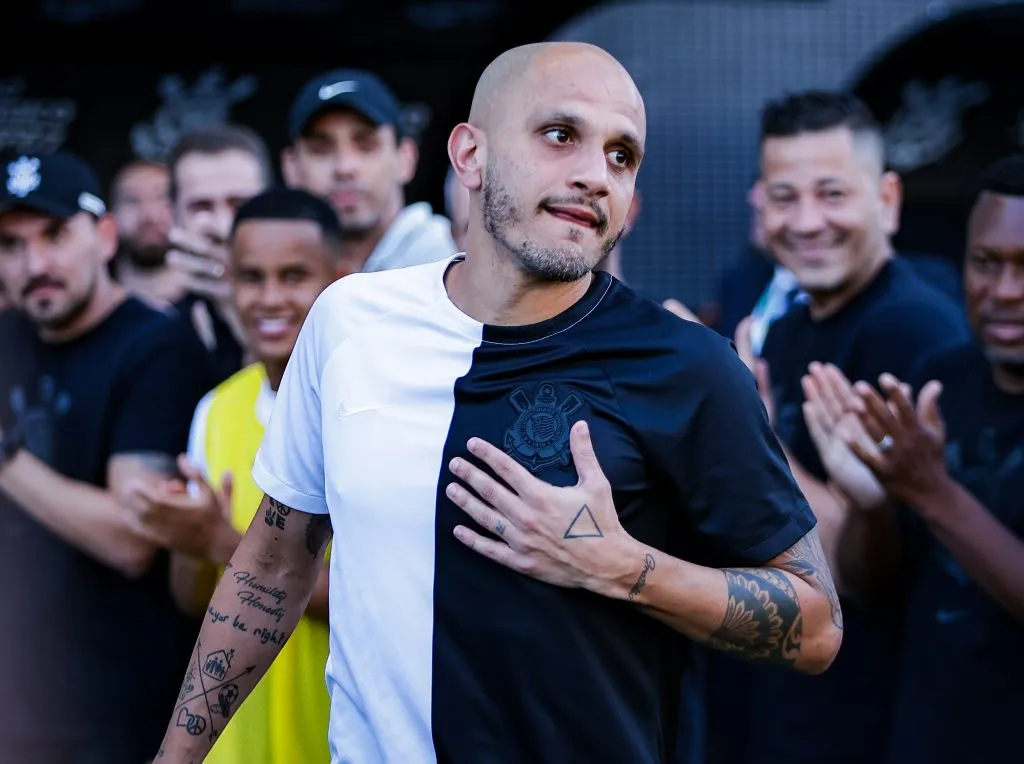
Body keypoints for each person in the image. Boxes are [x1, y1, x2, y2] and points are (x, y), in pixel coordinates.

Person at [154, 43, 842, 764]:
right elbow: (270, 571)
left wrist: (626, 568)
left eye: (622, 155)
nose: (594, 174)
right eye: (561, 135)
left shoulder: (687, 366)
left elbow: (817, 625)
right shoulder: (348, 322)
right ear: (470, 155)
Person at [725, 90, 970, 764]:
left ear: (886, 200)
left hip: (868, 721)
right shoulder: (792, 325)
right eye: (784, 197)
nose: (807, 222)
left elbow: (870, 577)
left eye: (831, 194)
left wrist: (754, 432)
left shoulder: (914, 331)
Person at [801, 154, 1024, 764]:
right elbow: (871, 588)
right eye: (987, 263)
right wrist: (870, 504)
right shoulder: (938, 381)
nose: (1006, 291)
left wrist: (931, 491)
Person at [0, 153, 214, 762]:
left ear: (105, 237)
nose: (35, 265)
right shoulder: (7, 339)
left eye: (55, 236)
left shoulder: (156, 345)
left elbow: (131, 536)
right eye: (11, 245)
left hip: (113, 712)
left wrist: (5, 457)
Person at [126, 188, 343, 764]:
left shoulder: (370, 413)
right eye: (250, 277)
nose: (269, 298)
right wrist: (191, 541)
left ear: (341, 282)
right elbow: (192, 597)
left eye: (293, 276)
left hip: (332, 743)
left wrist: (223, 541)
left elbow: (377, 600)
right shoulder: (216, 409)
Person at [282, 68, 455, 274]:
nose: (344, 167)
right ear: (291, 167)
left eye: (366, 146)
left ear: (405, 158)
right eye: (320, 149)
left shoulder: (451, 258)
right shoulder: (274, 267)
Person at [166, 125, 275, 383]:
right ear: (173, 213)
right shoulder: (158, 327)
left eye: (239, 204)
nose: (223, 226)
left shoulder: (310, 305)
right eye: (201, 207)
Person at [109, 159, 178, 306]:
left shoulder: (211, 304)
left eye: (162, 198)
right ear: (112, 216)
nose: (149, 215)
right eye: (132, 200)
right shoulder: (96, 310)